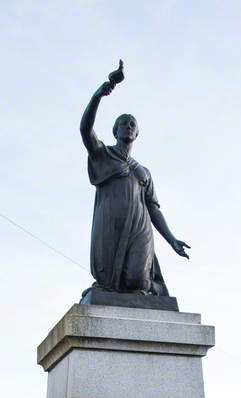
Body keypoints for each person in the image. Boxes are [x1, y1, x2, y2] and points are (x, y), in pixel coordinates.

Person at [80, 63, 190, 296]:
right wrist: (100, 93)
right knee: (108, 281)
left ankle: (154, 287)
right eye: (123, 123)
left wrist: (171, 240)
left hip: (140, 227)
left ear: (136, 134)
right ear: (115, 131)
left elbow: (154, 210)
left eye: (132, 125)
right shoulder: (104, 155)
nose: (128, 127)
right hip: (111, 225)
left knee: (136, 282)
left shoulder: (144, 172)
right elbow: (85, 130)